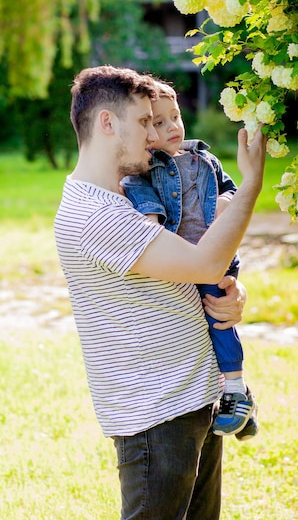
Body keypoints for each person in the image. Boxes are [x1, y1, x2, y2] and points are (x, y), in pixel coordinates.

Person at [54, 65, 266, 520]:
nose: (155, 134)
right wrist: (250, 186)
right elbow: (202, 261)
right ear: (108, 123)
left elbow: (192, 264)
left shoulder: (132, 196)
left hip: (192, 397)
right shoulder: (96, 216)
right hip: (156, 417)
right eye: (145, 122)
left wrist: (232, 291)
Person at [122, 80, 258, 440]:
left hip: (214, 257)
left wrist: (228, 202)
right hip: (182, 260)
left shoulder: (204, 158)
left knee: (219, 321)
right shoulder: (143, 170)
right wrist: (150, 222)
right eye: (158, 122)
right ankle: (239, 399)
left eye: (176, 117)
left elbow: (228, 188)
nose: (172, 128)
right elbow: (143, 203)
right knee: (200, 331)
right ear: (144, 128)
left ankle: (235, 388)